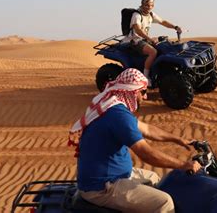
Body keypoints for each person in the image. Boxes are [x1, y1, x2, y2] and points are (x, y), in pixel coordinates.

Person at [69, 68, 200, 213]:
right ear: (131, 91)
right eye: (143, 92)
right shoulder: (118, 115)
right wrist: (183, 165)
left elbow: (147, 129)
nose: (145, 97)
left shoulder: (112, 105)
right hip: (103, 186)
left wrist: (179, 139)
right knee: (164, 203)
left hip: (113, 175)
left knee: (154, 178)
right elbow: (146, 154)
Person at [122, 0, 183, 86]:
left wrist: (175, 27)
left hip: (144, 39)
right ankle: (145, 77)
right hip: (134, 40)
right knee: (153, 52)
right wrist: (149, 38)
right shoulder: (137, 15)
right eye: (146, 5)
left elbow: (163, 22)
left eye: (150, 5)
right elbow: (138, 30)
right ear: (142, 5)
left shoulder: (151, 14)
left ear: (153, 6)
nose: (148, 7)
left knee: (164, 46)